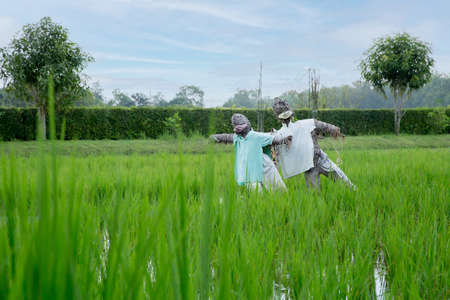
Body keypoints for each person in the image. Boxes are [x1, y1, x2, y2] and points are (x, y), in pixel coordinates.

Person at [272, 98, 356, 190]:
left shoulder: (305, 124)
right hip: (309, 168)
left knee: (345, 183)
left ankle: (355, 193)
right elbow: (276, 155)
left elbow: (324, 126)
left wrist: (335, 130)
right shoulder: (280, 134)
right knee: (315, 195)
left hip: (322, 160)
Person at [210, 113, 291, 190]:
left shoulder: (255, 136)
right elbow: (227, 137)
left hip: (263, 167)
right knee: (257, 196)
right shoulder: (238, 138)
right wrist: (216, 137)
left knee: (277, 191)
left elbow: (272, 139)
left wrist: (284, 139)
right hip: (248, 173)